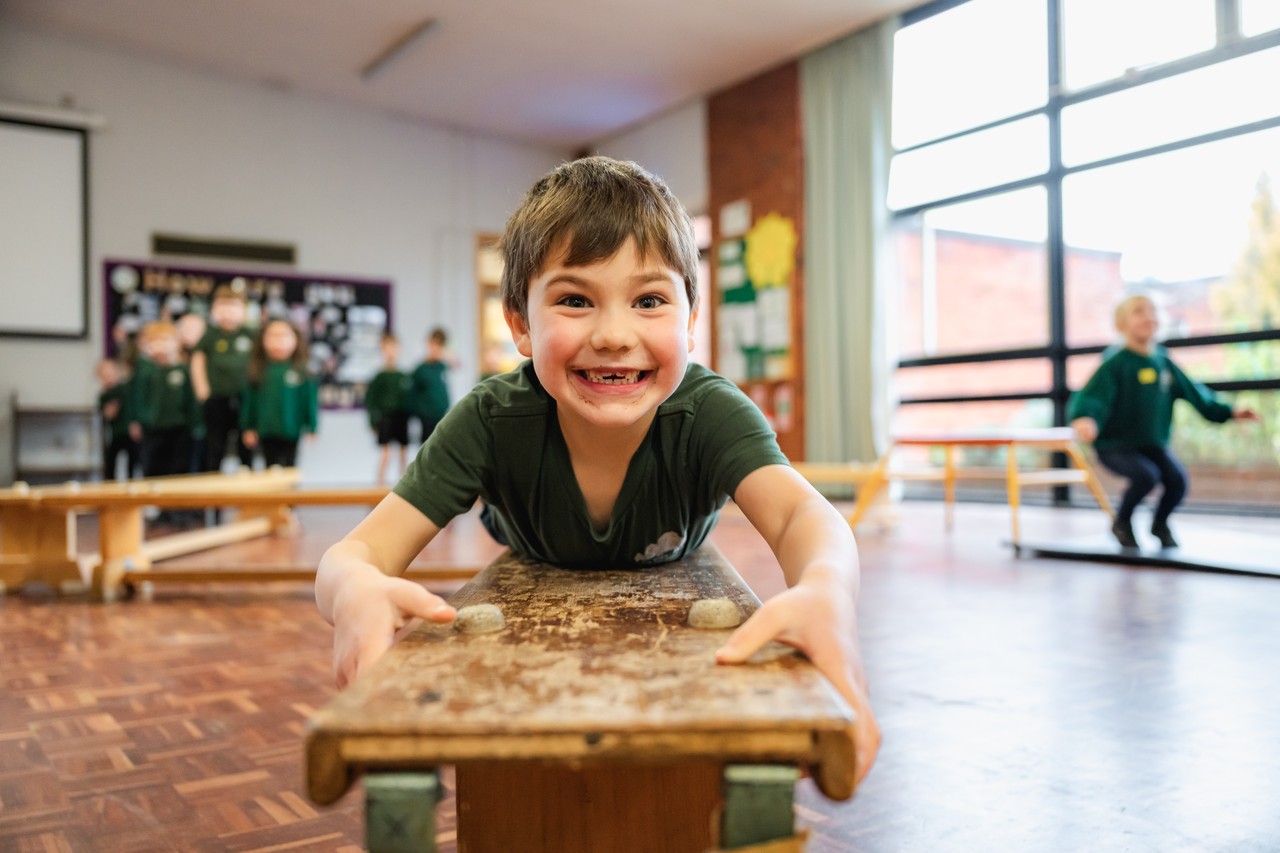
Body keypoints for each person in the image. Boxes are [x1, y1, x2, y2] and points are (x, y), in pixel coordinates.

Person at [315, 156, 879, 789]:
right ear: (521, 325)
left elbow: (805, 514)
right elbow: (355, 551)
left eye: (649, 300)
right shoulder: (490, 417)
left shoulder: (710, 410)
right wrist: (352, 590)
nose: (614, 334)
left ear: (690, 320)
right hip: (528, 544)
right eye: (576, 299)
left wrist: (827, 590)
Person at [1069, 294, 1261, 549]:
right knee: (1146, 476)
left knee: (1177, 480)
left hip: (1151, 444)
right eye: (1139, 311)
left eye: (1153, 312)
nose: (1148, 317)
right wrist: (1086, 419)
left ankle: (1159, 524)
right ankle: (1122, 523)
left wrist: (1229, 412)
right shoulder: (1115, 363)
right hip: (1115, 445)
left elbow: (1196, 394)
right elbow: (1093, 398)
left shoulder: (1163, 363)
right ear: (1122, 323)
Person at [191, 285, 255, 473]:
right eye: (223, 305)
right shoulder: (210, 335)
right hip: (216, 398)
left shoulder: (249, 334)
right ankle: (214, 493)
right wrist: (202, 391)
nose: (228, 311)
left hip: (245, 399)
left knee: (246, 443)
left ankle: (248, 487)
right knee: (216, 444)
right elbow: (198, 360)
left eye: (233, 306)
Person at [241, 318, 318, 468]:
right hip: (266, 430)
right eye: (273, 335)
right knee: (270, 467)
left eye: (283, 335)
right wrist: (248, 427)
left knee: (290, 466)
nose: (278, 340)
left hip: (291, 429)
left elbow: (310, 401)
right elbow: (249, 402)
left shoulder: (302, 371)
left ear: (295, 340)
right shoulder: (258, 370)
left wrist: (312, 427)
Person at [365, 333, 412, 486]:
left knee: (403, 453)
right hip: (385, 417)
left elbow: (410, 399)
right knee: (386, 453)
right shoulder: (379, 376)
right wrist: (373, 422)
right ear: (382, 350)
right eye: (388, 347)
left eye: (394, 347)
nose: (391, 351)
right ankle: (379, 487)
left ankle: (405, 488)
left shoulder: (404, 375)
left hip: (402, 417)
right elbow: (371, 401)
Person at [96, 358, 138, 480]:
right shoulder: (105, 394)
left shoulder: (125, 388)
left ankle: (132, 481)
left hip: (129, 431)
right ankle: (110, 483)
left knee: (133, 461)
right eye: (105, 375)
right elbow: (105, 414)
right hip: (116, 433)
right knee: (110, 461)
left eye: (111, 373)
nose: (109, 377)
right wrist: (109, 411)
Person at [409, 327, 452, 443]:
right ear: (428, 343)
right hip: (426, 417)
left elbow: (458, 363)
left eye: (440, 346)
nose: (436, 349)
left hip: (442, 414)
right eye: (434, 345)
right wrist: (418, 412)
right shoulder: (420, 369)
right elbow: (412, 394)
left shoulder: (441, 367)